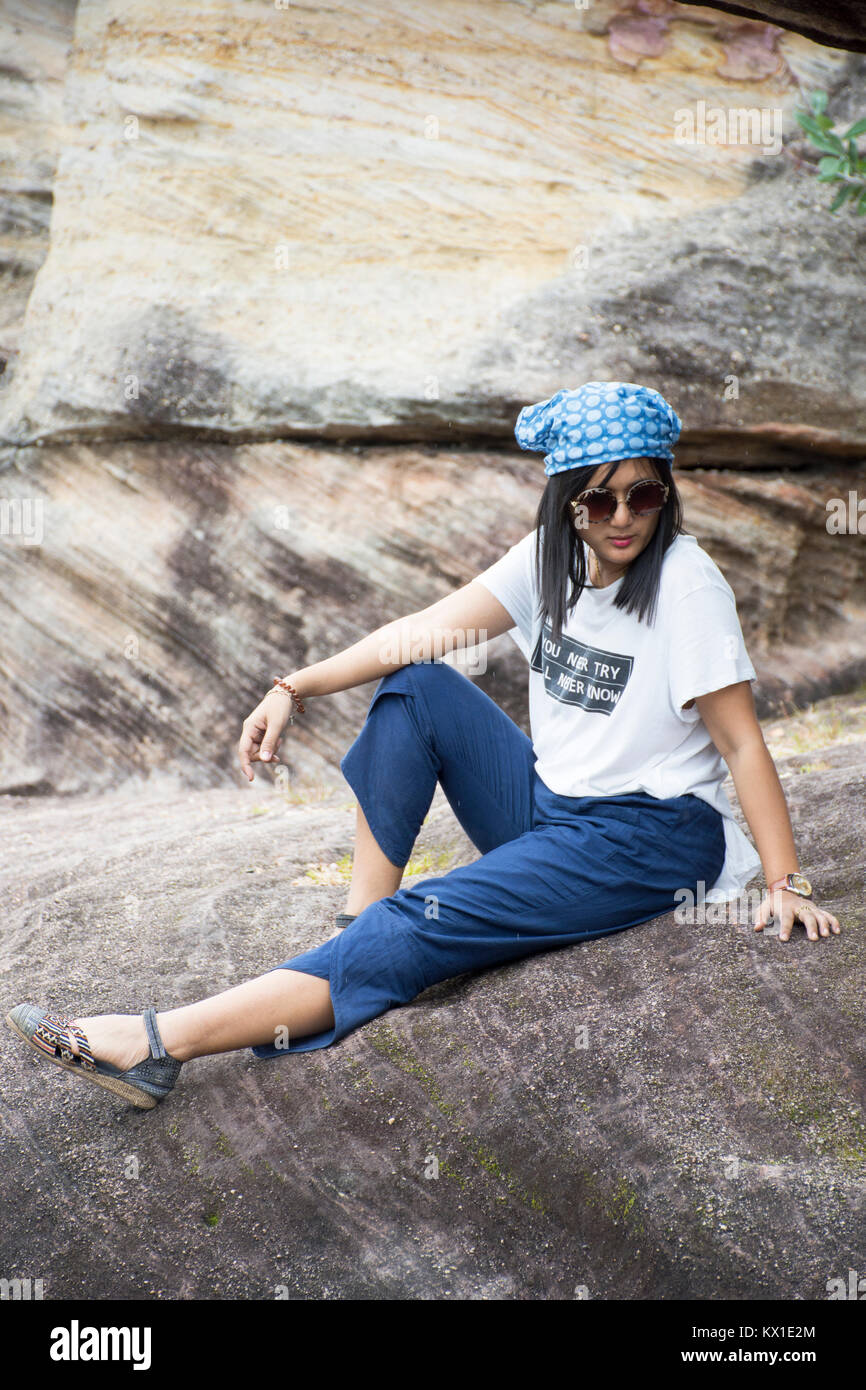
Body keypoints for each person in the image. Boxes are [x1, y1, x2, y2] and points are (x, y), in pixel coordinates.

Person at [6, 381, 841, 1109]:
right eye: (597, 500)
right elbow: (420, 635)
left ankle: (159, 1044)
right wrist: (293, 685)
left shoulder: (687, 585)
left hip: (648, 838)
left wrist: (784, 880)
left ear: (667, 495)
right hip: (553, 808)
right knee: (418, 687)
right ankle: (356, 930)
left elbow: (741, 744)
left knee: (423, 925)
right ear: (565, 505)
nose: (622, 518)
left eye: (644, 496)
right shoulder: (547, 559)